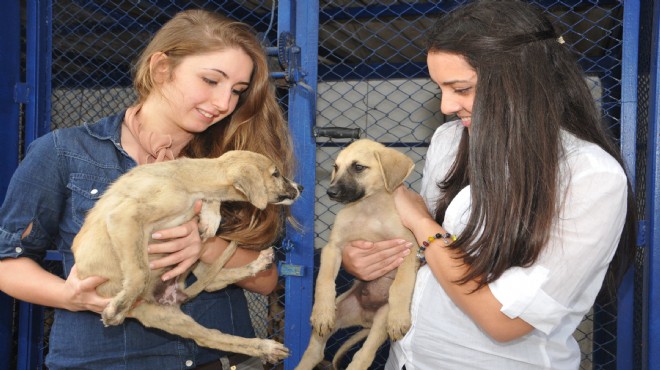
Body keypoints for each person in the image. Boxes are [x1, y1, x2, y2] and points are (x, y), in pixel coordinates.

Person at [341, 1, 636, 369]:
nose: (447, 105)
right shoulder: (449, 141)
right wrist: (371, 260)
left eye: (461, 88)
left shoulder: (590, 176)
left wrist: (421, 224)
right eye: (440, 89)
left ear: (521, 81)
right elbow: (433, 259)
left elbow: (504, 320)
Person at [0, 9, 295, 369]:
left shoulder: (233, 161)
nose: (224, 104)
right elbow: (7, 262)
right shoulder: (63, 151)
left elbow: (265, 280)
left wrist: (203, 244)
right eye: (210, 80)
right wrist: (70, 296)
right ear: (161, 69)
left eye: (237, 91)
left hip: (216, 360)